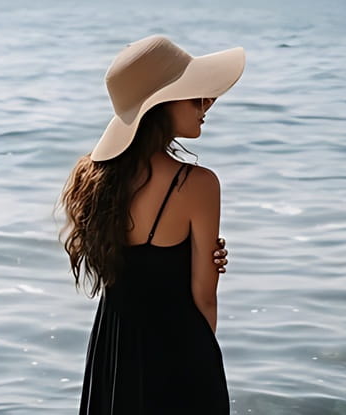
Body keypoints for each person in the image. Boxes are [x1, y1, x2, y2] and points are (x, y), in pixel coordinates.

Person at [59, 35, 246, 414]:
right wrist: (198, 364)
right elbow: (204, 299)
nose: (207, 103)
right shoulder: (197, 184)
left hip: (112, 354)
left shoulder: (91, 180)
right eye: (195, 95)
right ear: (159, 106)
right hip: (179, 353)